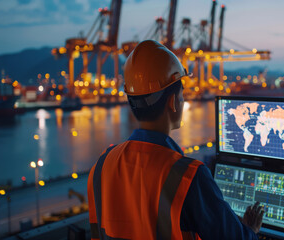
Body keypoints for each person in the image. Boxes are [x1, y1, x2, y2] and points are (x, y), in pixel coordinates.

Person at [87, 40, 264, 240]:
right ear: (172, 101)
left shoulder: (102, 164)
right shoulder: (187, 176)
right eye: (181, 95)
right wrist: (250, 230)